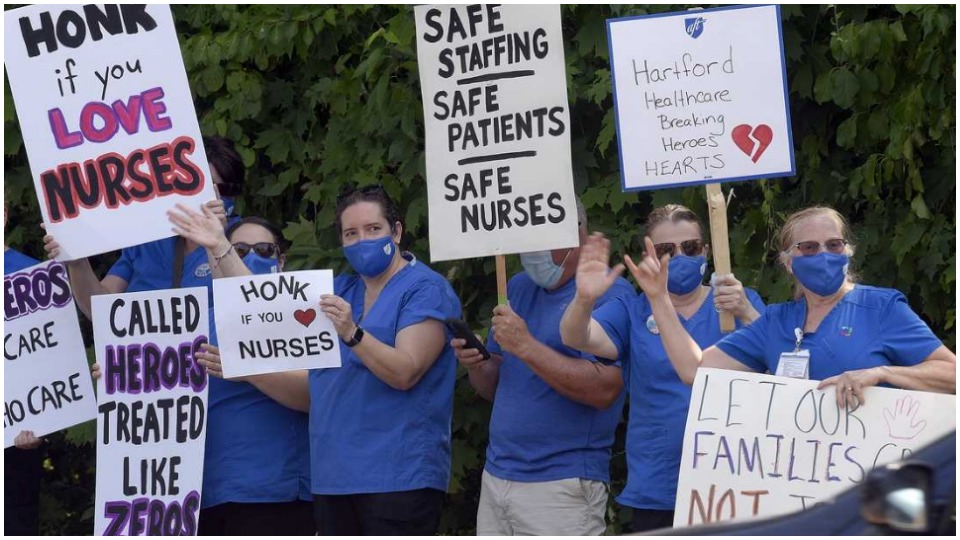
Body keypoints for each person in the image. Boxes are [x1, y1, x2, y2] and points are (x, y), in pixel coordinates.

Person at [89, 214, 316, 535]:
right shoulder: (193, 323)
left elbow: (313, 396)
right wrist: (122, 376)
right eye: (238, 250)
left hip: (272, 494)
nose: (251, 257)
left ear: (282, 260)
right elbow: (155, 386)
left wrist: (249, 369)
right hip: (198, 499)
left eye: (264, 250)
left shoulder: (301, 312)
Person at [559, 204, 765, 532]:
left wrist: (748, 312)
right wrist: (583, 299)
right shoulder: (632, 309)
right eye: (667, 250)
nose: (680, 257)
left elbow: (777, 371)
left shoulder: (738, 303)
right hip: (659, 486)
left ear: (707, 251)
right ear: (650, 255)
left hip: (734, 481)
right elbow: (576, 336)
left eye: (691, 247)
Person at [625, 205, 955, 409]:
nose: (823, 254)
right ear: (788, 262)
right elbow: (694, 371)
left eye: (833, 244)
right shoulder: (777, 321)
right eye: (809, 247)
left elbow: (952, 374)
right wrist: (658, 299)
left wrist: (881, 373)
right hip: (801, 498)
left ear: (848, 251)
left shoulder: (880, 307)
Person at [452, 198, 634, 536]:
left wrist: (527, 346)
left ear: (578, 236)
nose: (532, 250)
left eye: (543, 238)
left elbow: (605, 389)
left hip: (562, 484)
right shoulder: (518, 286)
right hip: (498, 475)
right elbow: (495, 387)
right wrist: (477, 364)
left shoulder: (611, 293)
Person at [309, 185, 461, 535]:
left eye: (373, 229)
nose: (362, 240)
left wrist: (352, 333)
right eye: (351, 233)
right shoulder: (339, 291)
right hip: (332, 480)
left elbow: (405, 371)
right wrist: (218, 246)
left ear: (396, 231)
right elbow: (257, 305)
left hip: (398, 478)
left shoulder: (425, 289)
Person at [5, 207, 46, 535]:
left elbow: (48, 363)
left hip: (15, 442)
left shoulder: (34, 277)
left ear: (3, 213)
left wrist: (39, 421)